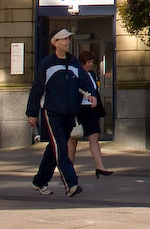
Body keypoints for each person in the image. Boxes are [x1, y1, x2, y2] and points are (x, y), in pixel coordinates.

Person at [26, 28, 89, 197]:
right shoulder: (47, 63)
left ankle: (39, 181)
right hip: (52, 112)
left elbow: (85, 82)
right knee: (61, 146)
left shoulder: (74, 62)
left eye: (68, 39)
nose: (67, 42)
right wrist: (32, 113)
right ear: (55, 43)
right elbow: (37, 89)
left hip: (69, 113)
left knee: (53, 148)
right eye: (64, 39)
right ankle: (71, 184)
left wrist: (91, 95)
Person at [67, 51, 112, 178]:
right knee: (73, 138)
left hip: (91, 109)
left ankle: (100, 167)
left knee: (94, 137)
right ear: (82, 63)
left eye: (92, 62)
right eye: (88, 62)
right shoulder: (75, 74)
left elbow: (94, 90)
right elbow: (72, 92)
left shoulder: (91, 74)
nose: (91, 64)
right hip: (78, 109)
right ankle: (69, 168)